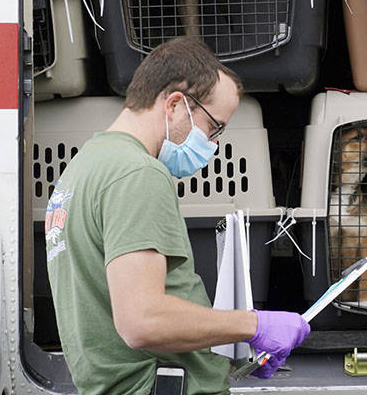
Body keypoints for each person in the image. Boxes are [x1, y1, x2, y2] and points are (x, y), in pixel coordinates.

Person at [44, 37, 310, 394]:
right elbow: (142, 321)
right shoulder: (138, 174)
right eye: (213, 126)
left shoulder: (82, 169)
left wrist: (231, 349)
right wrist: (253, 325)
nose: (213, 145)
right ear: (174, 104)